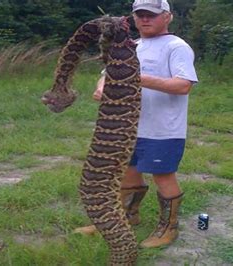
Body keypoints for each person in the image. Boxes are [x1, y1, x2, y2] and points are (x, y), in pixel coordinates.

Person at [75, 0, 198, 248]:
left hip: (163, 129)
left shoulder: (176, 46)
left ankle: (168, 228)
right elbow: (107, 75)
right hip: (126, 129)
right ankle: (125, 218)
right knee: (128, 174)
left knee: (163, 176)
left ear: (167, 17)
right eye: (139, 15)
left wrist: (137, 78)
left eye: (151, 15)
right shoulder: (131, 46)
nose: (145, 19)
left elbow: (183, 85)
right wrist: (101, 88)